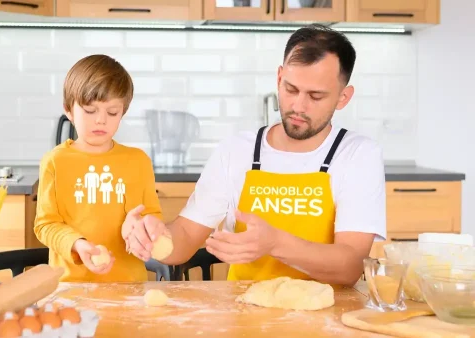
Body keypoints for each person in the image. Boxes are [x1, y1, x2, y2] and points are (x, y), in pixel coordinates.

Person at [121, 24, 386, 287]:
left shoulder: (357, 155)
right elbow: (186, 236)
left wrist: (275, 243)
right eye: (291, 89)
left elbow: (350, 266)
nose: (298, 106)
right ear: (279, 78)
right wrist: (153, 237)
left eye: (315, 96)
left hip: (327, 319)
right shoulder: (237, 150)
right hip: (246, 316)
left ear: (343, 97)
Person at [34, 54, 162, 282]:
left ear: (123, 112)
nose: (101, 120)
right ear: (69, 111)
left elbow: (151, 215)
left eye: (112, 112)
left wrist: (140, 228)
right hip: (71, 287)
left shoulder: (138, 161)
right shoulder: (55, 161)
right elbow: (46, 225)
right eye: (90, 111)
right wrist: (77, 244)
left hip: (128, 287)